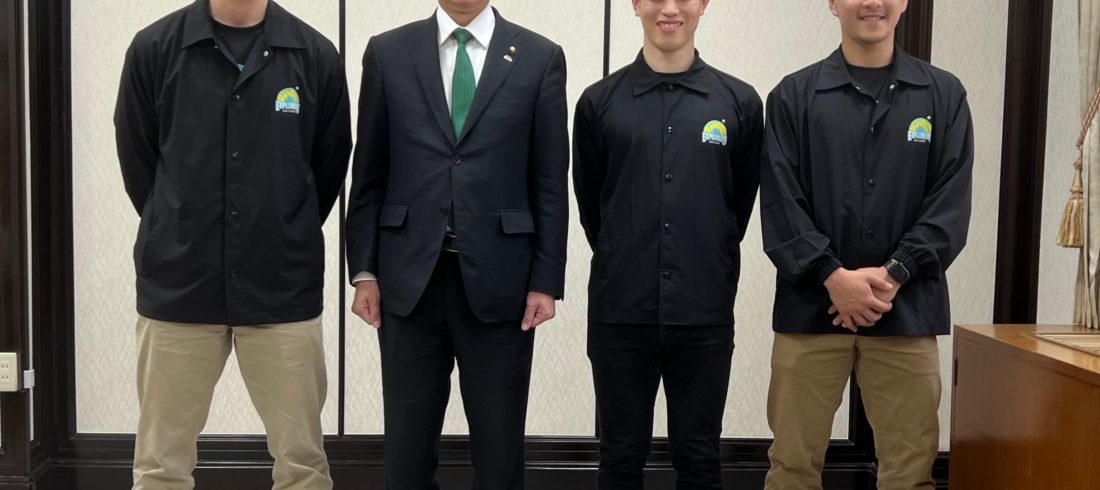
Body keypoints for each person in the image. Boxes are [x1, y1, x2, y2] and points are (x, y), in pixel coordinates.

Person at [114, 0, 351, 488]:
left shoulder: (314, 55)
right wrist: (173, 221)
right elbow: (139, 160)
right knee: (160, 465)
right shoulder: (155, 49)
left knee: (303, 465)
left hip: (281, 285)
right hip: (180, 283)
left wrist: (283, 223)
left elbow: (328, 163)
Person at [344, 0, 569, 487]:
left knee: (499, 455)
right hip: (408, 283)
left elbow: (550, 180)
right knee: (406, 455)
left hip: (504, 284)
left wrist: (546, 280)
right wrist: (364, 270)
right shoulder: (388, 52)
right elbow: (369, 173)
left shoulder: (539, 57)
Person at [759, 0, 973, 488]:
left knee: (910, 472)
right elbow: (780, 202)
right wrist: (831, 276)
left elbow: (950, 206)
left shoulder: (943, 94)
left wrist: (895, 272)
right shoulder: (793, 96)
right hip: (810, 311)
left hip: (907, 311)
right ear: (833, 4)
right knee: (791, 468)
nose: (872, 2)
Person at [572, 0, 763, 487]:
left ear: (703, 5)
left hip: (704, 312)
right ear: (636, 5)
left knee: (699, 458)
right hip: (620, 312)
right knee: (619, 458)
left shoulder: (739, 103)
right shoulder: (598, 103)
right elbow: (594, 209)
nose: (670, 9)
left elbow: (735, 210)